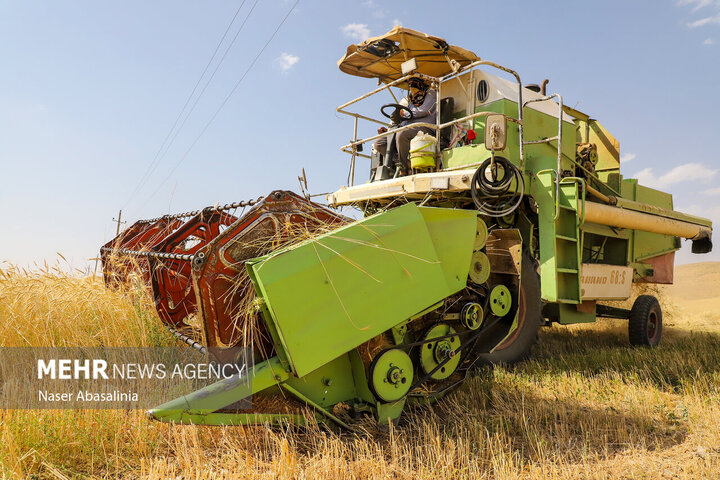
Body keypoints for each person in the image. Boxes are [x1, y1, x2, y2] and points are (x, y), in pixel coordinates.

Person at [373, 76, 437, 174]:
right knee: (379, 143)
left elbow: (423, 111)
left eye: (415, 84)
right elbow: (406, 119)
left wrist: (404, 114)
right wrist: (390, 130)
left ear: (421, 84)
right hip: (409, 127)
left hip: (426, 126)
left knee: (401, 134)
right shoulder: (412, 99)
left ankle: (403, 168)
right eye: (410, 85)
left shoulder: (431, 94)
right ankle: (406, 163)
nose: (412, 88)